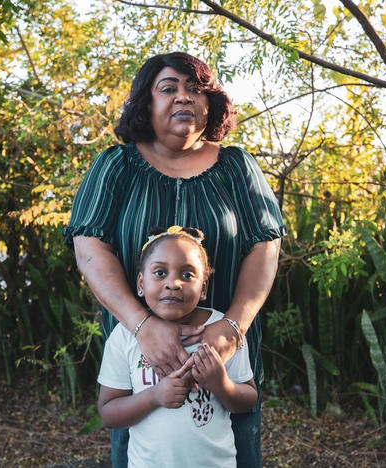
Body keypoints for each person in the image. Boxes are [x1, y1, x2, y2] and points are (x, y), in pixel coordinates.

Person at [63, 51, 285, 468]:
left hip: (223, 359)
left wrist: (231, 329)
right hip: (139, 363)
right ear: (146, 103)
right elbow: (89, 249)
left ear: (209, 103)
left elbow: (265, 248)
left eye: (195, 89)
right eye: (169, 88)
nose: (184, 97)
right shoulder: (115, 166)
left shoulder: (237, 167)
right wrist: (143, 326)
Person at [97, 226, 258, 467]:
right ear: (141, 284)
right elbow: (108, 413)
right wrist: (154, 396)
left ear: (203, 288)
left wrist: (221, 385)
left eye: (187, 275)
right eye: (160, 273)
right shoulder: (125, 336)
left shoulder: (222, 331)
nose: (173, 283)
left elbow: (249, 400)